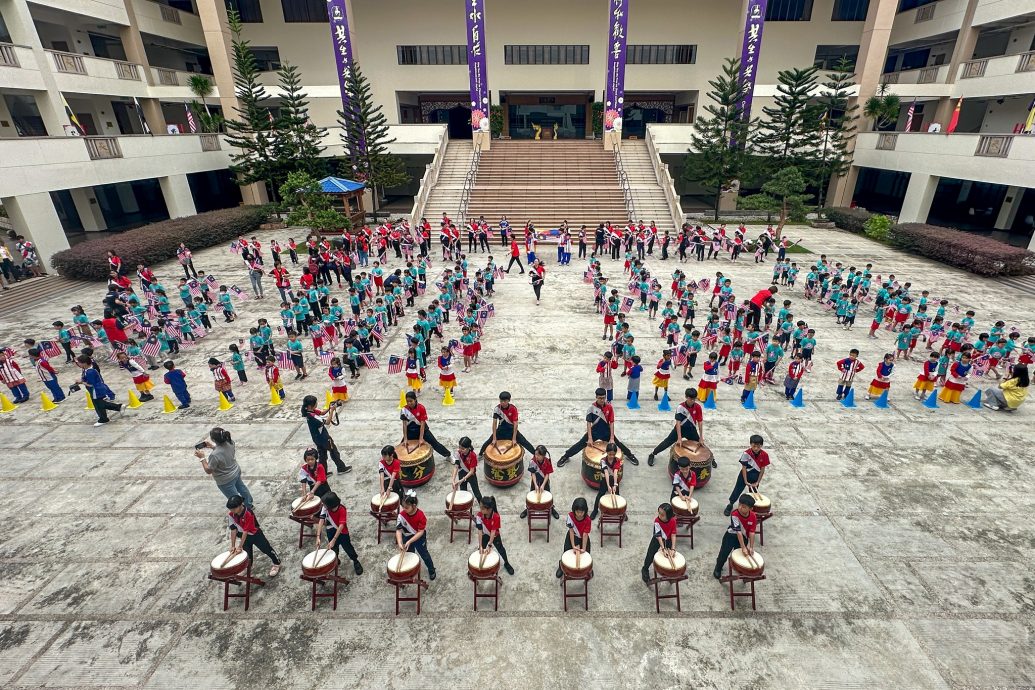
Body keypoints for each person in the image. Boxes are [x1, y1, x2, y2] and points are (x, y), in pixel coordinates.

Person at [557, 388, 639, 467]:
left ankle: (630, 455)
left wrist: (611, 438)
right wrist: (589, 438)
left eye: (603, 398)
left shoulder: (609, 407)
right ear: (596, 397)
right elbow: (589, 423)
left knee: (618, 444)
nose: (602, 400)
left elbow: (611, 422)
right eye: (600, 398)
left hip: (606, 432)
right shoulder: (591, 408)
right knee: (580, 444)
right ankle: (565, 456)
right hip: (594, 432)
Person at [196, 427, 254, 509]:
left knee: (234, 497)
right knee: (242, 488)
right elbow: (223, 451)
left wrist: (202, 458)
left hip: (225, 480)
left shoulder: (214, 455)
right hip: (236, 471)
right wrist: (213, 447)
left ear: (213, 439)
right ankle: (249, 504)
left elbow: (209, 470)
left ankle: (241, 511)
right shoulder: (230, 442)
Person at [647, 387, 703, 466]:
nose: (693, 401)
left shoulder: (697, 407)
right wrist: (679, 438)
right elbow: (678, 423)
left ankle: (711, 459)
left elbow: (700, 422)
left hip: (691, 430)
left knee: (700, 444)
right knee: (667, 442)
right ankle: (652, 454)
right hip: (680, 429)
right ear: (686, 397)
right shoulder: (681, 407)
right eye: (691, 399)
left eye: (694, 399)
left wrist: (701, 437)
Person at [225, 495, 280, 577]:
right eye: (230, 509)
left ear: (241, 505)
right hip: (243, 536)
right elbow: (233, 530)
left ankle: (277, 563)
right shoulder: (231, 514)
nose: (232, 511)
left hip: (255, 535)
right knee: (247, 554)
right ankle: (248, 567)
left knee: (267, 549)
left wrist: (239, 546)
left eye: (234, 508)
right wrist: (233, 546)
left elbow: (245, 531)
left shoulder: (248, 513)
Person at [315, 492, 363, 576]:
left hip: (342, 532)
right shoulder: (325, 508)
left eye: (324, 504)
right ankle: (336, 558)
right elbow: (321, 520)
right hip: (330, 530)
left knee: (348, 547)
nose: (323, 505)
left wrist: (334, 539)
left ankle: (355, 561)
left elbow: (341, 526)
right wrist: (318, 536)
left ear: (330, 505)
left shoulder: (342, 509)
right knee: (333, 548)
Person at [301, 395, 351, 473]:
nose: (317, 403)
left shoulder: (309, 412)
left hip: (317, 439)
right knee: (334, 452)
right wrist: (331, 411)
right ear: (311, 405)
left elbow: (322, 412)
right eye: (316, 402)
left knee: (323, 456)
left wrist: (331, 407)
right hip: (324, 438)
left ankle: (323, 472)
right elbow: (327, 422)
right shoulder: (314, 417)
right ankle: (341, 468)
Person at [713, 494, 757, 579]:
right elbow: (738, 532)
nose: (740, 507)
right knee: (724, 553)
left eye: (743, 507)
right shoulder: (734, 514)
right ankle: (718, 567)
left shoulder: (753, 516)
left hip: (744, 537)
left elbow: (752, 532)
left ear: (750, 509)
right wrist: (744, 547)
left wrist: (751, 547)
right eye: (739, 504)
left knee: (740, 555)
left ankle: (740, 569)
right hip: (731, 536)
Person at [724, 434, 769, 516]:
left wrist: (758, 482)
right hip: (744, 475)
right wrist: (745, 481)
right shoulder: (746, 453)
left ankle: (752, 509)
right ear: (750, 444)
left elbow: (762, 469)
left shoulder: (765, 455)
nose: (756, 448)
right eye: (754, 446)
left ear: (761, 445)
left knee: (753, 494)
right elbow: (744, 468)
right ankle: (730, 504)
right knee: (737, 490)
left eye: (758, 446)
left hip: (755, 476)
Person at [479, 391, 536, 456]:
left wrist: (514, 438)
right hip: (501, 430)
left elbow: (515, 424)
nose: (502, 403)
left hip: (511, 430)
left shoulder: (513, 409)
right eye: (501, 401)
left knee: (524, 442)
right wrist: (494, 438)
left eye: (504, 401)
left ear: (509, 400)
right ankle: (480, 454)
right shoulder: (497, 409)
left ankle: (536, 454)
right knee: (489, 441)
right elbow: (494, 424)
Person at [396, 492, 436, 580]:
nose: (404, 509)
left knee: (424, 554)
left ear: (414, 506)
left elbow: (420, 532)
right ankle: (411, 570)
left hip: (419, 538)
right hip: (406, 537)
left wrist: (409, 541)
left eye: (406, 507)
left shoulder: (421, 516)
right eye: (403, 507)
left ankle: (431, 569)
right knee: (409, 555)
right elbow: (398, 530)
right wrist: (399, 543)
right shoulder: (401, 516)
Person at [74, 354, 123, 426]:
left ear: (84, 363)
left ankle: (104, 419)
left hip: (95, 390)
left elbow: (91, 384)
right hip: (95, 389)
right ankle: (118, 407)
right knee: (100, 403)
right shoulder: (86, 369)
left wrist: (81, 382)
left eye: (79, 363)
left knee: (98, 405)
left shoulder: (90, 372)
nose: (78, 364)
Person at [400, 391, 451, 458]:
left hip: (422, 430)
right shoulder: (404, 410)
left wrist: (421, 438)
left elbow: (422, 424)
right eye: (407, 401)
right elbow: (404, 425)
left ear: (415, 399)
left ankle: (448, 455)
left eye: (411, 401)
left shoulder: (421, 408)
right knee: (402, 446)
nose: (409, 403)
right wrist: (405, 438)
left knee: (435, 443)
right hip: (410, 431)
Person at [475, 496, 515, 575]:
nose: (480, 510)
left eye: (482, 508)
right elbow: (479, 531)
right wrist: (480, 545)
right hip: (485, 535)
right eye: (480, 507)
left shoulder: (496, 517)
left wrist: (489, 545)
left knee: (501, 550)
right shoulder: (479, 515)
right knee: (480, 550)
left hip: (495, 536)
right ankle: (477, 566)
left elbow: (493, 532)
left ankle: (506, 563)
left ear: (489, 510)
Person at [521, 445, 562, 519]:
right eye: (535, 454)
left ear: (543, 456)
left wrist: (543, 485)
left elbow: (547, 474)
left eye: (538, 455)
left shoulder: (547, 461)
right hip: (535, 481)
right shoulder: (533, 461)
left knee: (548, 495)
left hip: (544, 481)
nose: (536, 456)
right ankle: (528, 509)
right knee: (532, 494)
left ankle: (551, 508)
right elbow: (533, 473)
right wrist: (536, 484)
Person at [641, 503, 678, 583]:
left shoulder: (673, 521)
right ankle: (645, 568)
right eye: (659, 513)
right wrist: (663, 548)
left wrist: (673, 548)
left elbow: (673, 534)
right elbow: (658, 536)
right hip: (657, 539)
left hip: (668, 540)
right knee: (650, 554)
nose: (659, 515)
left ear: (668, 515)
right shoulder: (657, 521)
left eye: (662, 514)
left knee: (670, 556)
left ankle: (668, 572)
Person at [556, 497, 591, 579]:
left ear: (585, 511)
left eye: (581, 512)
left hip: (583, 538)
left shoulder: (588, 520)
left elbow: (585, 534)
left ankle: (586, 569)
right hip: (572, 537)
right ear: (574, 510)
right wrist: (573, 545)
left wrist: (584, 548)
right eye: (577, 512)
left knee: (586, 555)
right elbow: (571, 531)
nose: (579, 514)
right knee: (566, 552)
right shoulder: (570, 516)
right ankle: (562, 566)